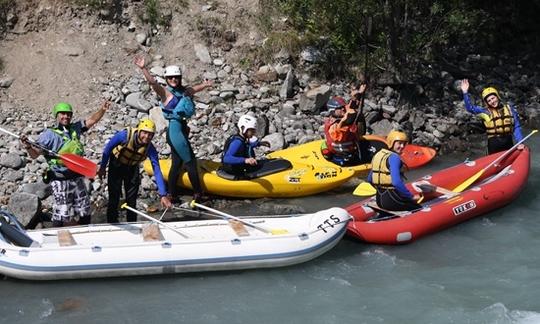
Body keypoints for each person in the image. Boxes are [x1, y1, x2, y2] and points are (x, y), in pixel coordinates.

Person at [134, 55, 212, 203]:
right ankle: (198, 193)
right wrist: (143, 68)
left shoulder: (185, 91)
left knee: (176, 163)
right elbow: (152, 82)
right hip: (175, 131)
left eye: (176, 77)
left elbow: (195, 89)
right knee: (190, 162)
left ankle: (172, 194)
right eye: (170, 78)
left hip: (181, 130)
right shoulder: (165, 93)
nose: (173, 80)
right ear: (167, 79)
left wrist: (206, 85)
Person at [21, 101, 110, 227]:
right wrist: (28, 147)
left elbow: (91, 120)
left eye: (68, 114)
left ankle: (84, 235)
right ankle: (58, 238)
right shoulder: (49, 135)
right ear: (57, 116)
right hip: (60, 179)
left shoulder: (75, 129)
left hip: (77, 177)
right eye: (62, 114)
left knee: (85, 211)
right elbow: (35, 154)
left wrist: (102, 110)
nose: (66, 117)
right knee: (62, 215)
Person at [98, 118, 172, 223]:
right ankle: (112, 223)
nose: (147, 137)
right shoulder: (124, 136)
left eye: (150, 134)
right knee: (114, 198)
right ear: (139, 130)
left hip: (132, 168)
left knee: (132, 201)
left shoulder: (150, 148)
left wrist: (163, 194)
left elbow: (157, 170)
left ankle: (132, 223)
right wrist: (102, 167)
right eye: (145, 133)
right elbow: (108, 148)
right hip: (116, 165)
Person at [460, 79, 523, 154]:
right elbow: (470, 108)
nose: (492, 102)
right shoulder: (485, 112)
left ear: (497, 97)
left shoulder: (510, 109)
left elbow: (516, 127)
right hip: (494, 146)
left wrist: (520, 142)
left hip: (508, 143)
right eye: (489, 101)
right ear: (487, 103)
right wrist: (465, 93)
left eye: (493, 98)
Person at [367, 130, 421, 212]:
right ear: (391, 142)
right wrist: (411, 197)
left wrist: (381, 189)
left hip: (380, 199)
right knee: (419, 209)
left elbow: (370, 179)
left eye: (404, 143)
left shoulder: (378, 155)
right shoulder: (394, 157)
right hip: (392, 200)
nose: (402, 146)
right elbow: (396, 182)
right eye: (399, 143)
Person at [321, 84, 370, 165]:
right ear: (333, 110)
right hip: (344, 155)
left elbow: (350, 107)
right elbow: (350, 116)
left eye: (343, 107)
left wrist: (359, 94)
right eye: (340, 108)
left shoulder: (335, 117)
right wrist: (354, 98)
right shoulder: (337, 126)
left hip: (337, 151)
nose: (343, 109)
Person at [221, 114, 270, 179]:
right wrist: (246, 160)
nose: (254, 132)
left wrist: (259, 143)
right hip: (234, 171)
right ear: (243, 128)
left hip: (238, 166)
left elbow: (246, 146)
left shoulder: (241, 138)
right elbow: (226, 158)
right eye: (252, 130)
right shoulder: (237, 142)